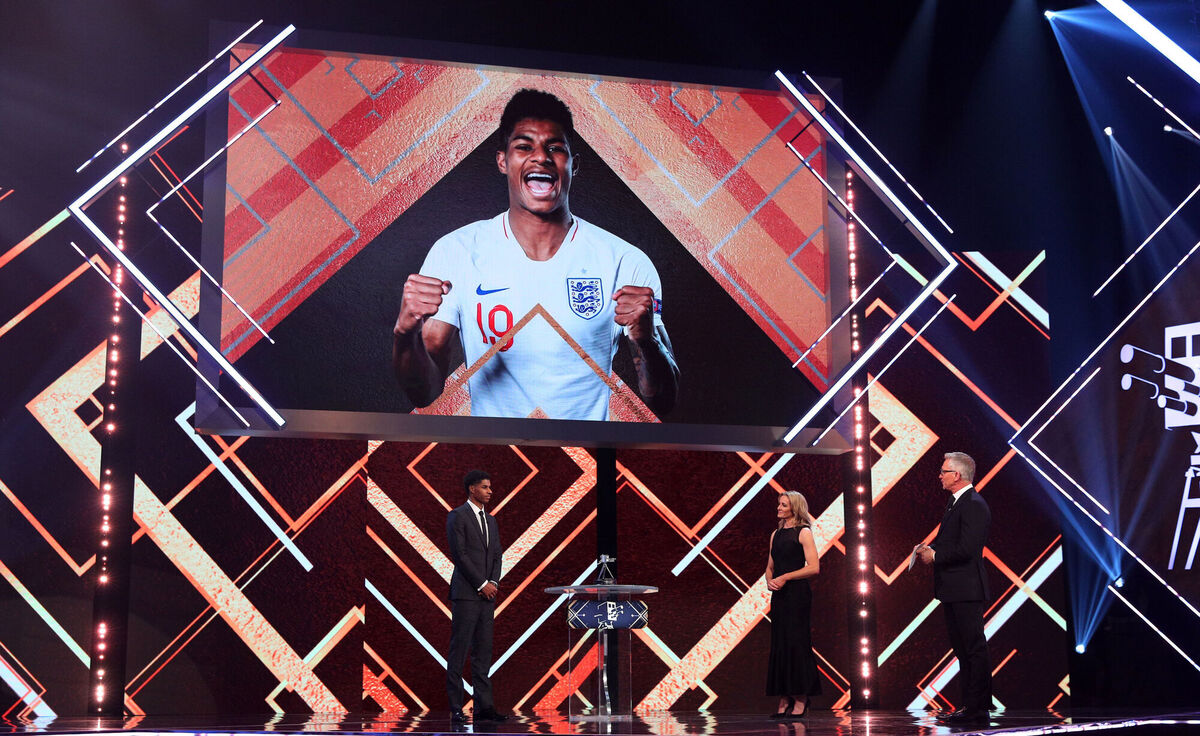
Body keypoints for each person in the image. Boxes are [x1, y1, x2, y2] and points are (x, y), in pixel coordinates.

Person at [393, 88, 679, 420]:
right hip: (497, 460)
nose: (541, 157)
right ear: (503, 161)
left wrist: (647, 341)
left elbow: (664, 401)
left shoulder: (624, 262)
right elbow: (425, 392)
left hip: (586, 461)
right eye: (524, 146)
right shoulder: (455, 252)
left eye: (555, 148)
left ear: (574, 164)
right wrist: (405, 333)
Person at [914, 451, 992, 726]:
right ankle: (969, 706)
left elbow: (967, 549)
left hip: (967, 588)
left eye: (943, 471)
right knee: (963, 649)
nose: (940, 475)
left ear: (956, 476)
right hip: (953, 588)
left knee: (973, 648)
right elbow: (951, 542)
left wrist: (935, 556)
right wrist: (931, 548)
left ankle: (977, 709)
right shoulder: (956, 502)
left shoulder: (973, 503)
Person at [446, 470, 507, 724]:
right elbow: (460, 555)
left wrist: (493, 582)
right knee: (459, 650)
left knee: (483, 651)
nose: (490, 491)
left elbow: (497, 555)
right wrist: (482, 584)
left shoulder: (491, 520)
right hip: (466, 594)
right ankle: (456, 708)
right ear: (472, 489)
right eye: (485, 487)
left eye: (490, 487)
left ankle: (484, 707)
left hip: (487, 597)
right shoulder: (457, 516)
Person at [766, 490, 822, 718]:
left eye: (784, 505)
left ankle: (801, 696)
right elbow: (770, 565)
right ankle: (784, 695)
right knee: (780, 643)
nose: (779, 508)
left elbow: (814, 567)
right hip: (779, 595)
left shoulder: (804, 532)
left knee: (797, 642)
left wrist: (786, 577)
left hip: (797, 594)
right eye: (779, 504)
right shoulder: (776, 534)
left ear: (794, 508)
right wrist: (769, 580)